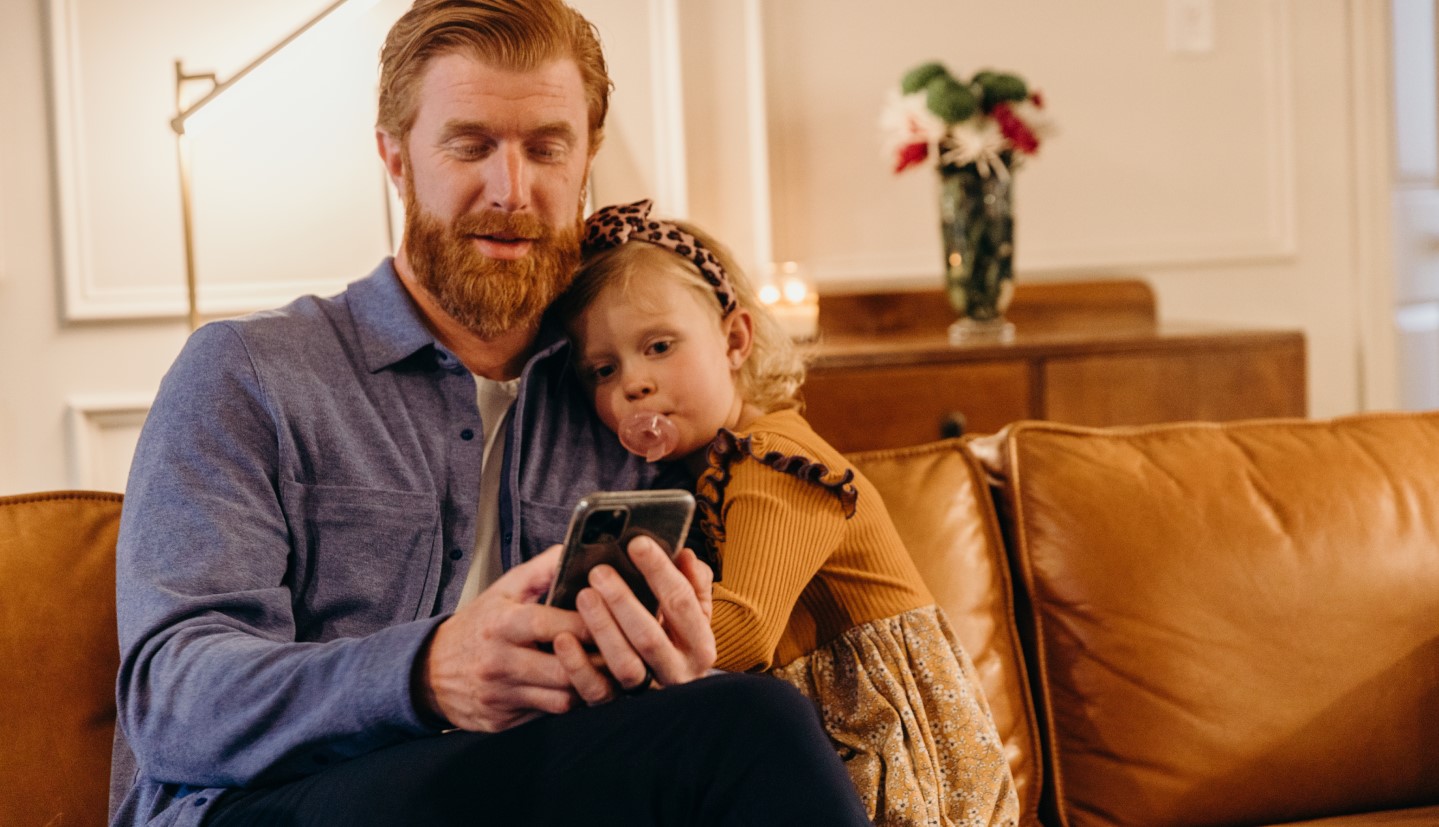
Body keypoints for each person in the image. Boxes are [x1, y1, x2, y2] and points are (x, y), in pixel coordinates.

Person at [112, 2, 872, 825]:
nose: (512, 191)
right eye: (470, 145)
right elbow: (173, 701)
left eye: (546, 148)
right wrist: (427, 670)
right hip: (274, 806)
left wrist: (671, 666)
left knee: (743, 718)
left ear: (587, 159)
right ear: (395, 157)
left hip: (522, 790)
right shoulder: (248, 373)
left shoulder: (623, 402)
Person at [554, 199, 1020, 827]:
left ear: (735, 340)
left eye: (659, 346)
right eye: (603, 370)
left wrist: (592, 639)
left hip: (899, 755)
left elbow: (746, 630)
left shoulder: (777, 457)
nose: (633, 384)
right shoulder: (704, 475)